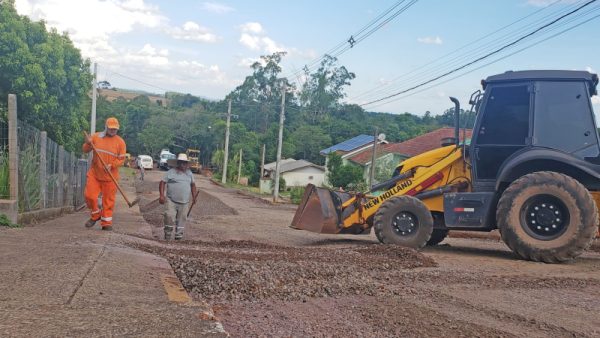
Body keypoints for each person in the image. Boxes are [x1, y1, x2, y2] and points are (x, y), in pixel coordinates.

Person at [82, 117, 127, 231]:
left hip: (110, 177)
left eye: (115, 129)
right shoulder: (96, 137)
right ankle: (96, 214)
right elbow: (85, 150)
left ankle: (106, 223)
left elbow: (121, 159)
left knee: (108, 201)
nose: (113, 131)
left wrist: (112, 165)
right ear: (106, 127)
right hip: (95, 174)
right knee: (89, 196)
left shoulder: (120, 142)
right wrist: (88, 143)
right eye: (111, 128)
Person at [159, 153, 197, 240]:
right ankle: (167, 237)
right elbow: (162, 182)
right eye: (181, 162)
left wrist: (194, 197)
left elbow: (193, 185)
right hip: (171, 200)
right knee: (168, 217)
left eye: (185, 163)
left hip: (184, 202)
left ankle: (178, 239)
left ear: (187, 164)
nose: (183, 165)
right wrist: (161, 195)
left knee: (181, 221)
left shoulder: (190, 174)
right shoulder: (171, 172)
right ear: (178, 163)